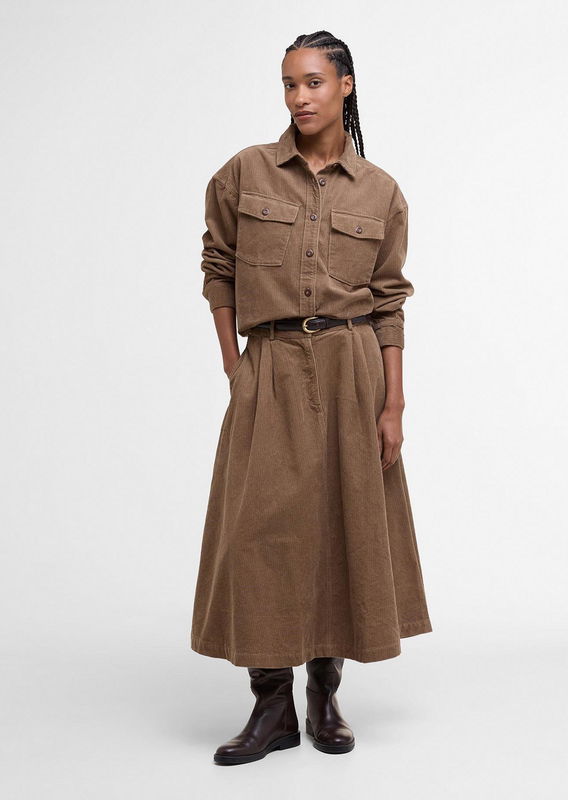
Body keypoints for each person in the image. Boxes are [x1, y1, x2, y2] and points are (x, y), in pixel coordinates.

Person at [190, 31, 433, 766]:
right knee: (260, 531)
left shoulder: (381, 191)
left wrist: (393, 405)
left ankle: (324, 696)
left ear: (346, 85)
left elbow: (389, 303)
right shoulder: (246, 172)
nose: (299, 97)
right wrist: (234, 364)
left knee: (341, 527)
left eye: (314, 82)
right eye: (289, 84)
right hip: (270, 365)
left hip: (352, 368)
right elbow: (218, 265)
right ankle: (271, 707)